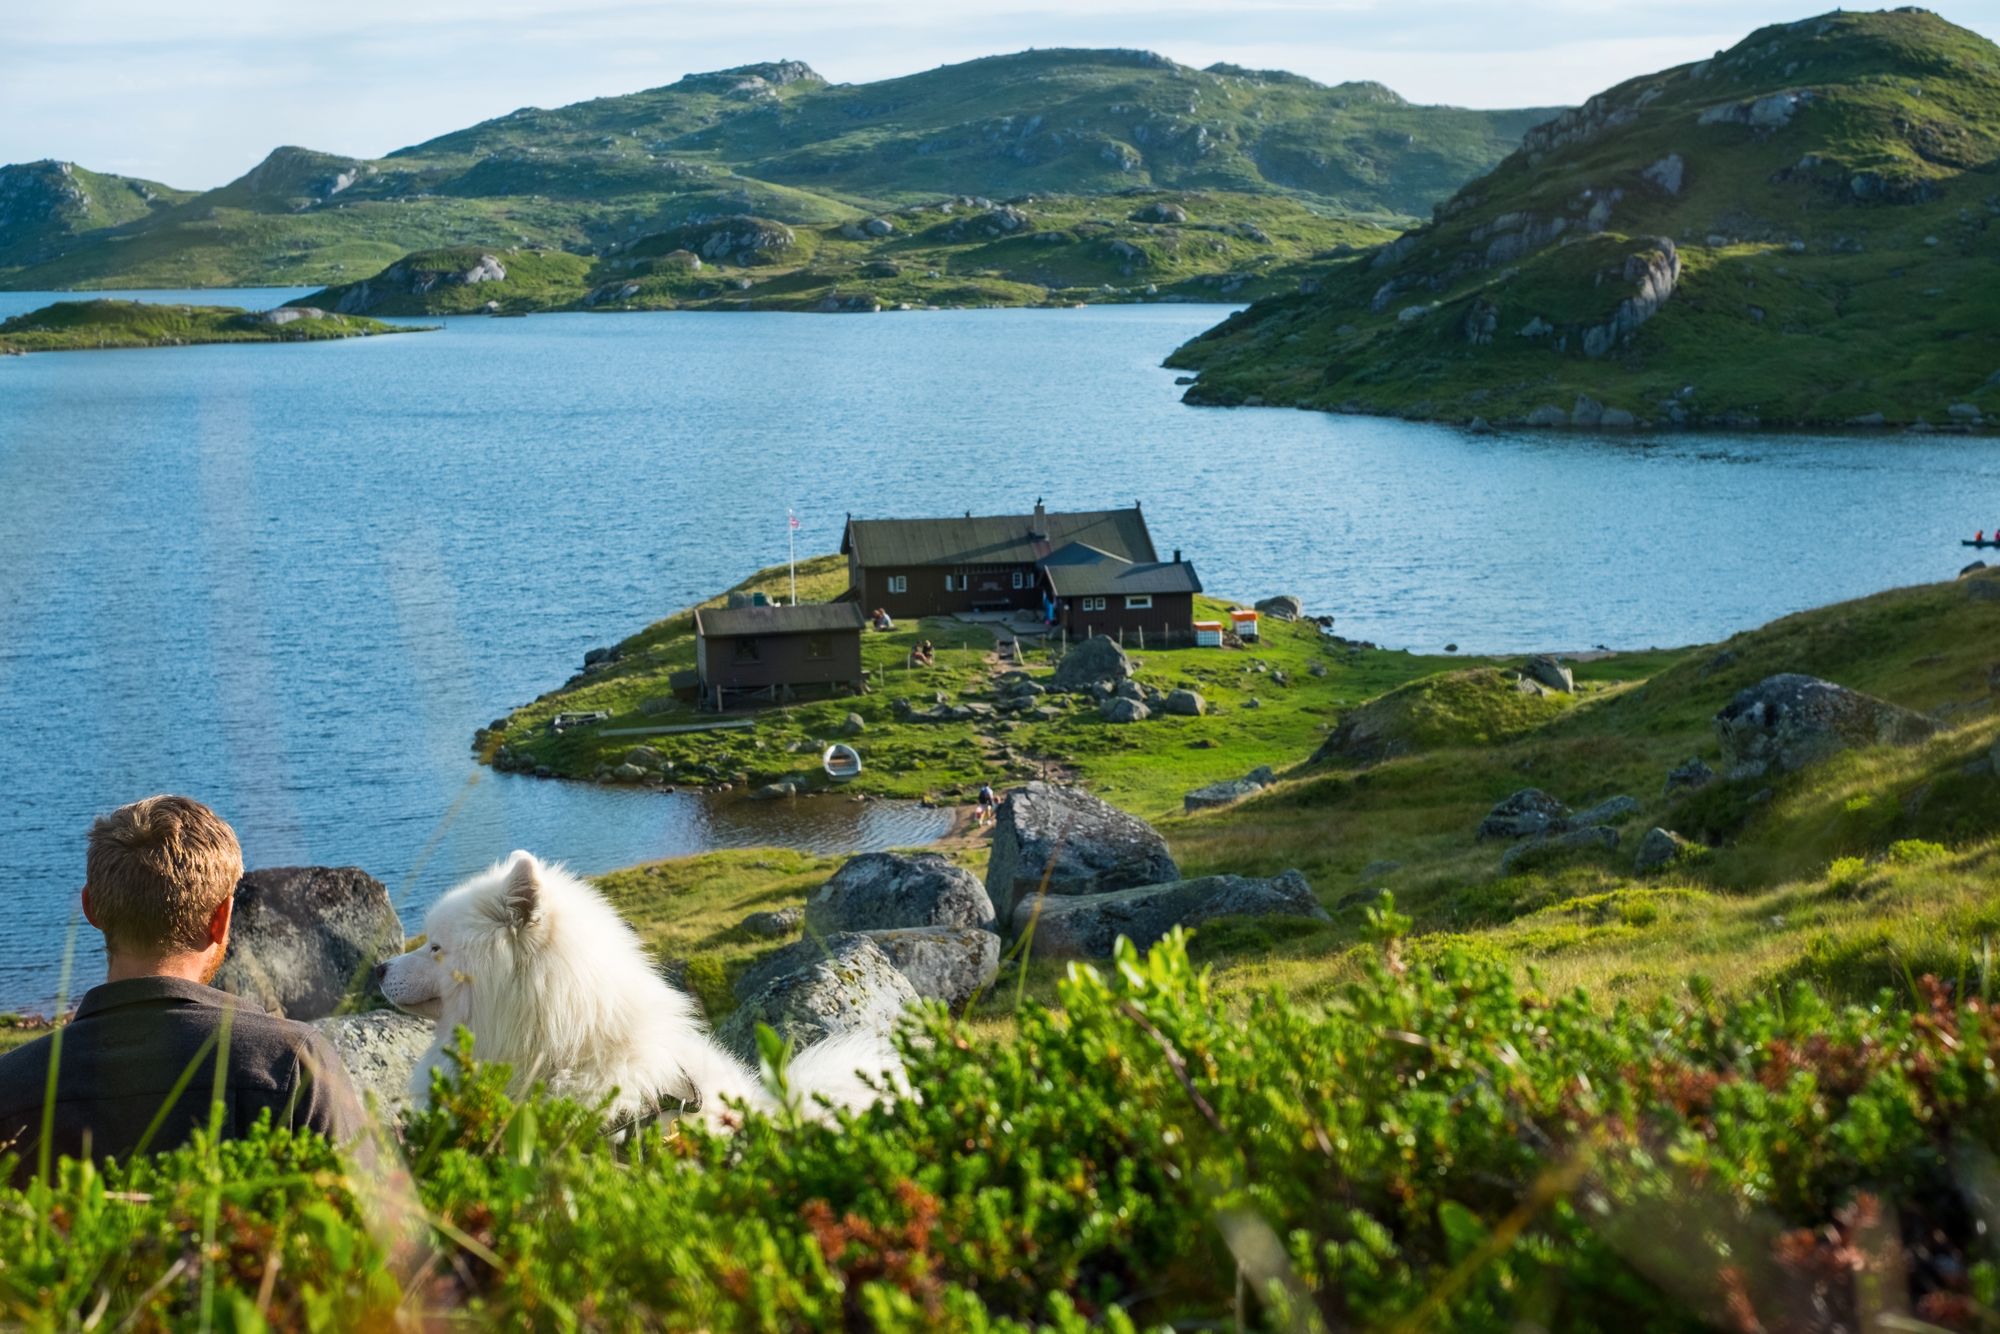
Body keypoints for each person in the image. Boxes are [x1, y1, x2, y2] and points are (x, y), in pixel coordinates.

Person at [0, 796, 366, 1180]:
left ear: (90, 908)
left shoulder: (12, 1083)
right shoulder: (294, 1064)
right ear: (221, 919)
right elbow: (368, 1220)